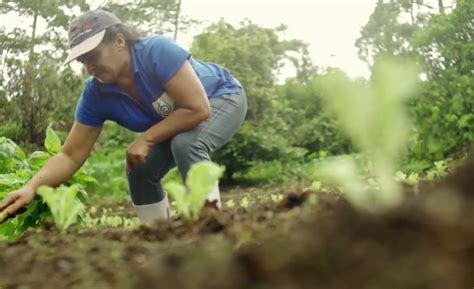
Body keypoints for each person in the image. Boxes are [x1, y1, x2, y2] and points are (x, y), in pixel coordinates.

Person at [0, 9, 247, 224]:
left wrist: (147, 139)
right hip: (182, 119)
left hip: (222, 98)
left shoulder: (156, 52)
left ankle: (212, 226)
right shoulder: (96, 93)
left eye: (93, 56)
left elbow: (197, 109)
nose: (90, 67)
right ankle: (157, 240)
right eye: (83, 61)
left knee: (186, 143)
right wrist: (31, 188)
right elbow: (70, 155)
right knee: (138, 168)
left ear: (119, 41)